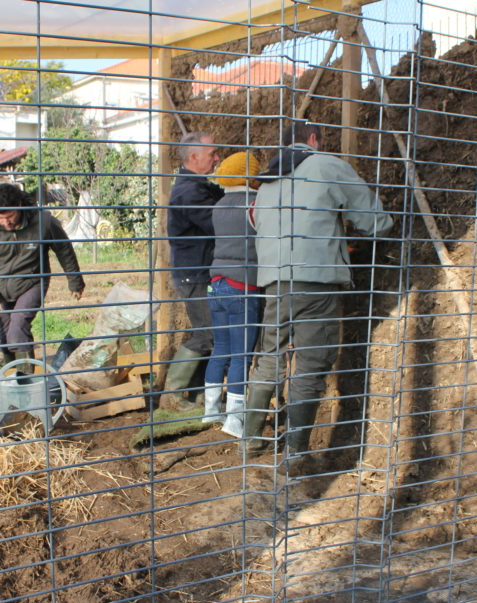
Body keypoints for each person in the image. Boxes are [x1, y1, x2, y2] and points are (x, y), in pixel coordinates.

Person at [244, 120, 392, 470]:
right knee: (311, 363)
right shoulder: (326, 165)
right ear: (313, 139)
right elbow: (375, 220)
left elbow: (256, 225)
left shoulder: (267, 181)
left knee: (269, 356)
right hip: (316, 281)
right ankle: (295, 452)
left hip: (274, 282)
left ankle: (249, 441)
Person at [0, 183, 85, 364]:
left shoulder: (43, 221)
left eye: (10, 216)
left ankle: (25, 380)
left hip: (32, 282)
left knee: (18, 329)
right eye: (0, 218)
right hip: (1, 286)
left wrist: (75, 282)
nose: (6, 222)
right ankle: (13, 374)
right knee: (6, 335)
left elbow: (64, 250)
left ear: (19, 205)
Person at [201, 151, 263, 438]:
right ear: (250, 176)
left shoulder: (219, 204)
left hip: (217, 285)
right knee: (241, 355)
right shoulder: (254, 204)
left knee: (221, 349)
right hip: (243, 288)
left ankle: (210, 411)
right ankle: (235, 421)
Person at [163, 131, 223, 409]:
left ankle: (198, 395)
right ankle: (172, 397)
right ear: (194, 157)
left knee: (208, 333)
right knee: (208, 334)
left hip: (198, 272)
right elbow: (218, 223)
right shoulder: (189, 192)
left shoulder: (196, 187)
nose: (217, 158)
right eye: (213, 154)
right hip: (194, 274)